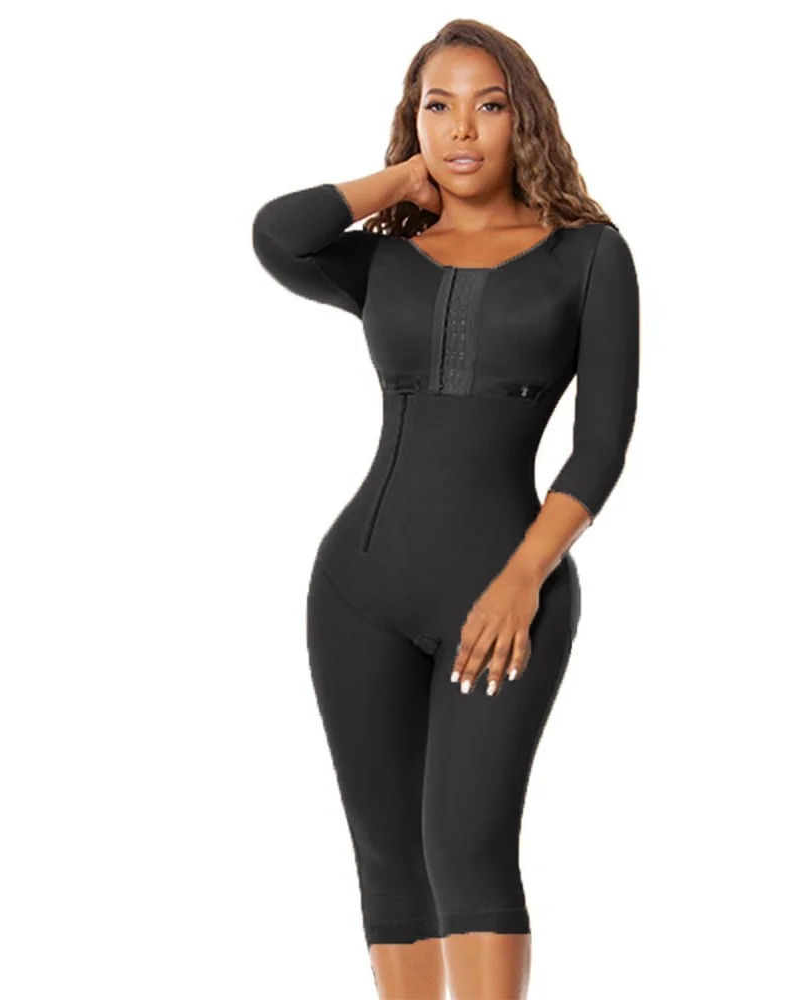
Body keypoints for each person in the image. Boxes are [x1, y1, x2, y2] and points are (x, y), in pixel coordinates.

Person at [251, 19, 639, 1000]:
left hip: (507, 591)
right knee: (388, 860)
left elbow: (599, 448)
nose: (463, 127)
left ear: (524, 119)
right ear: (413, 120)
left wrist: (523, 577)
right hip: (358, 590)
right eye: (439, 106)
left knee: (466, 847)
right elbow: (276, 233)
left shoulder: (589, 255)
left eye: (488, 105)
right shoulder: (385, 258)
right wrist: (401, 181)